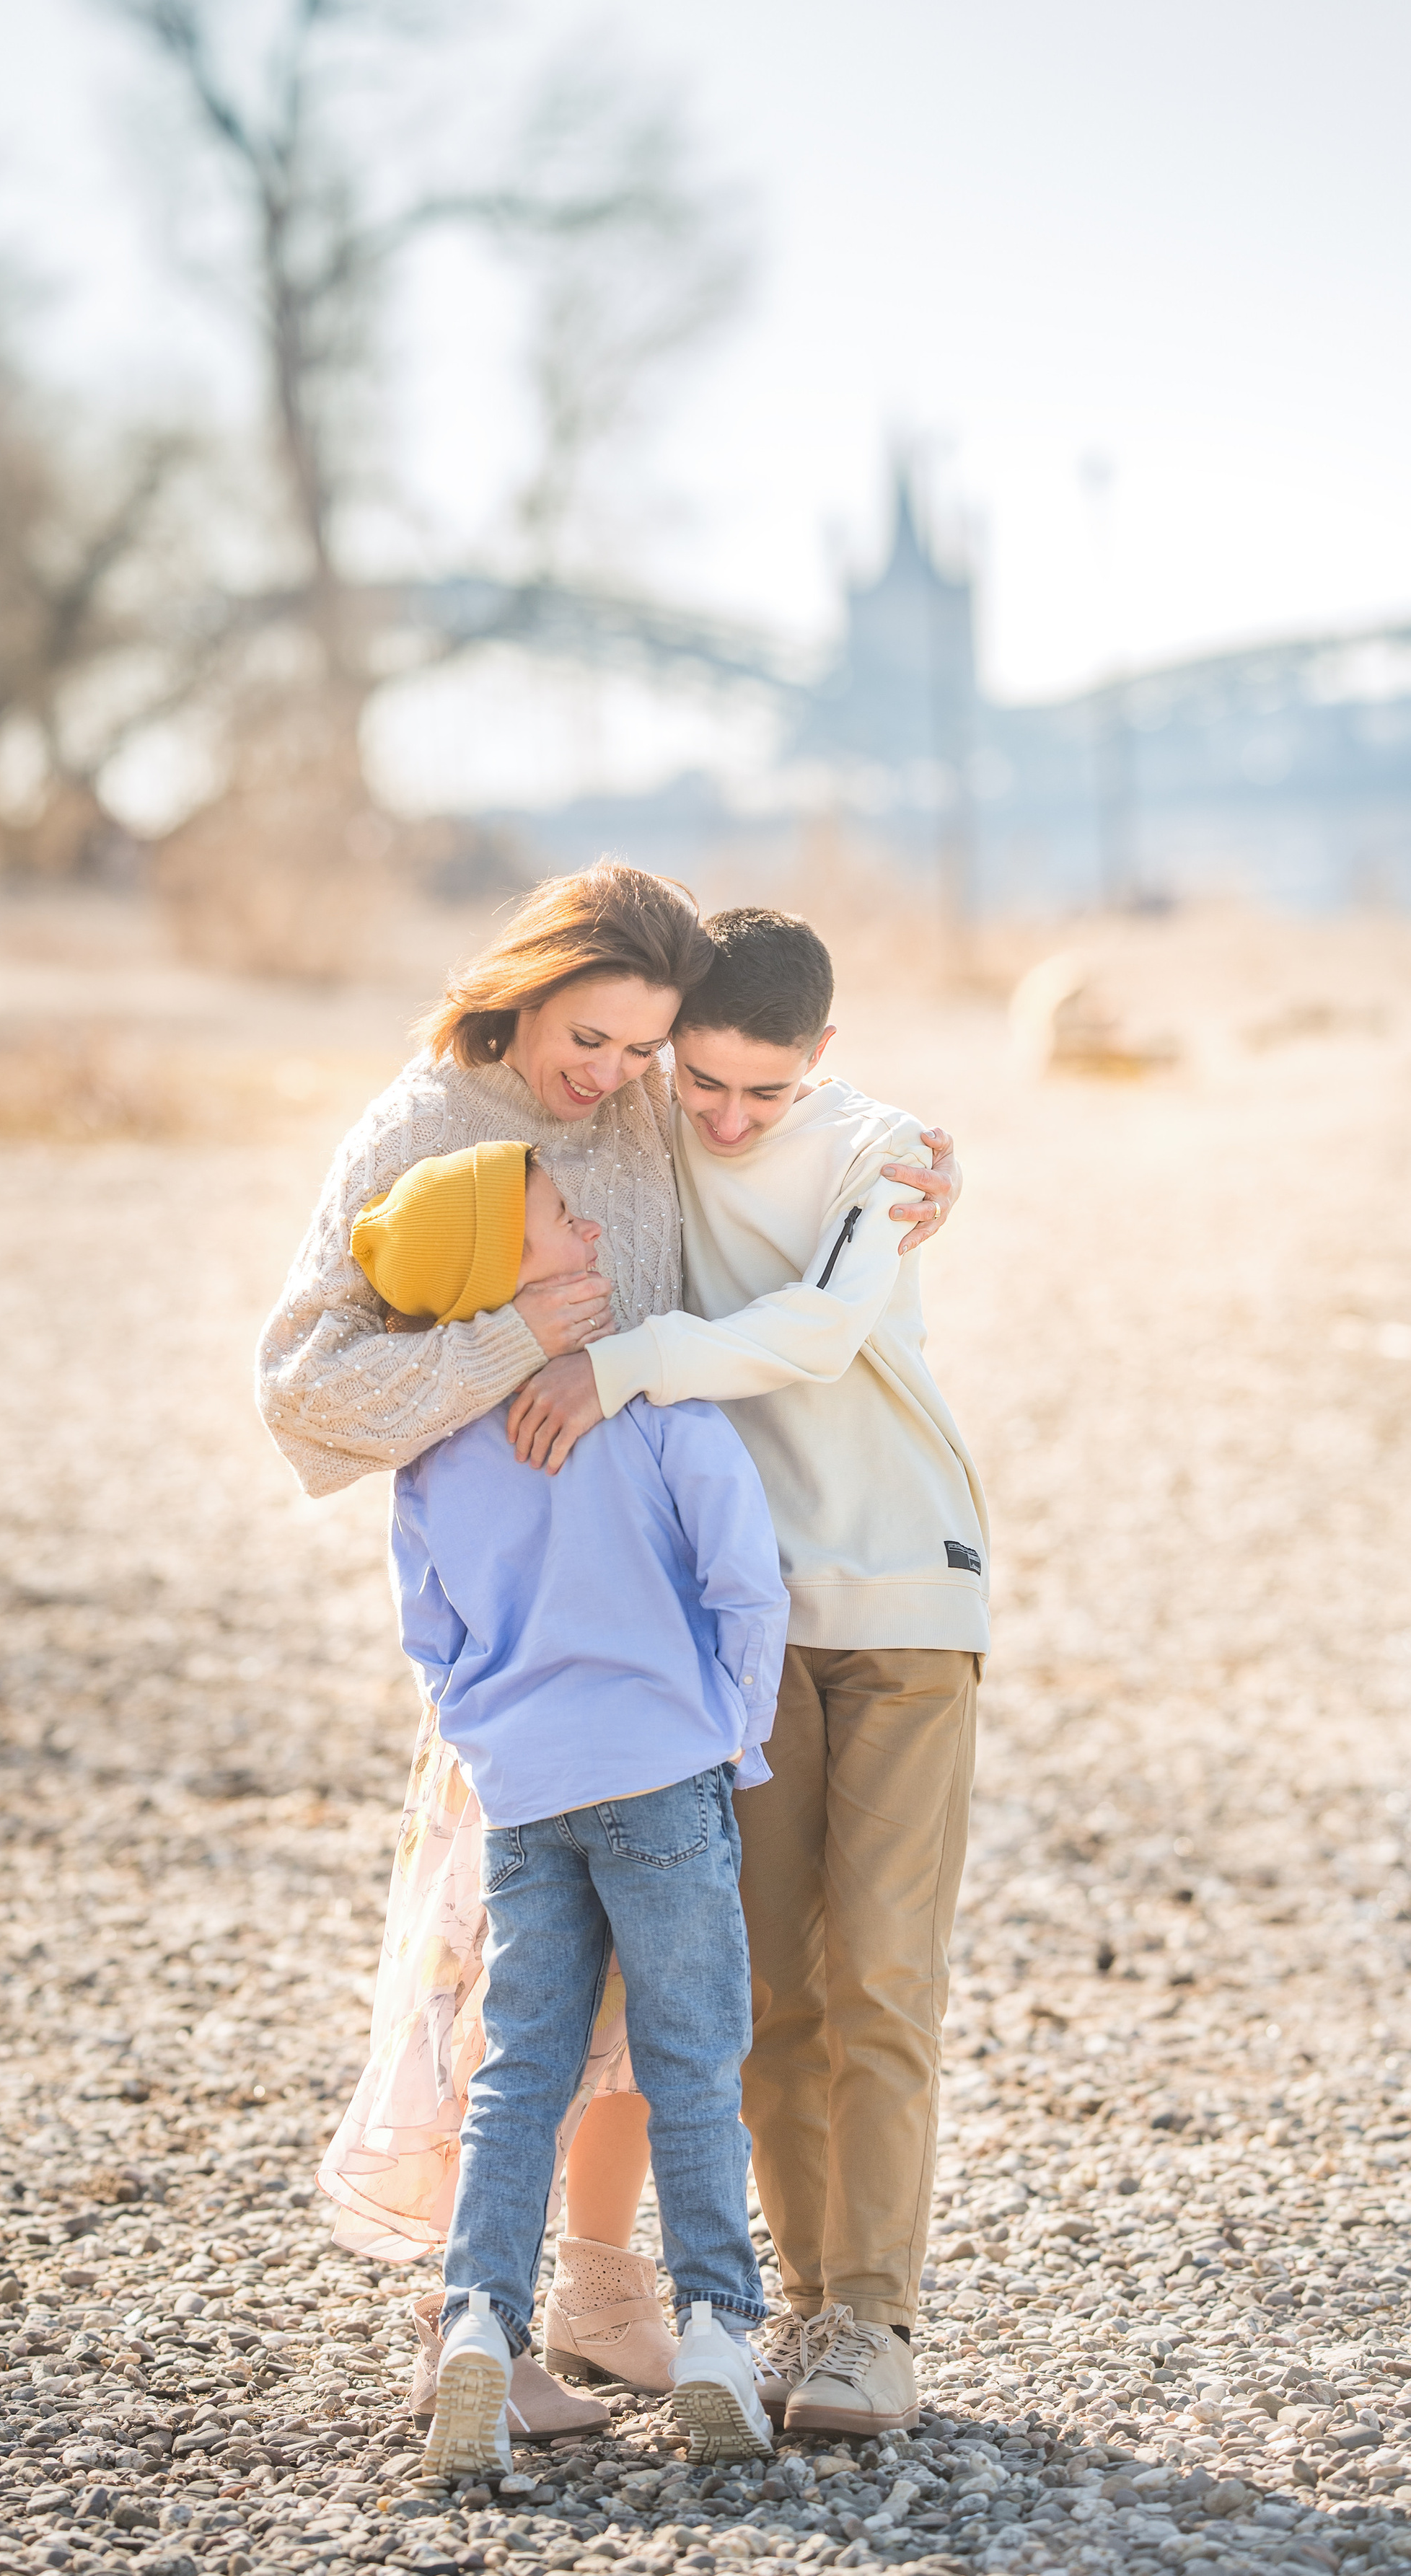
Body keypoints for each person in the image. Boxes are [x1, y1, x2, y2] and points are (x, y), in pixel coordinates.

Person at [254, 861, 960, 2409]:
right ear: (524, 989)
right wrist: (525, 1337)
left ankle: (606, 2291)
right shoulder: (422, 1127)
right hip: (521, 1643)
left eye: (642, 1049)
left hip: (663, 1629)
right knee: (508, 1993)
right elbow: (306, 1386)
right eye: (592, 1041)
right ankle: (480, 2323)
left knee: (650, 2001)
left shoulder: (650, 1105)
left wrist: (900, 1166)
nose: (617, 1080)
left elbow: (773, 1103)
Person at [506, 907, 988, 2437]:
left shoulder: (874, 1153)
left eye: (760, 1094)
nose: (725, 1119)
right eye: (701, 1082)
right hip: (748, 1622)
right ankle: (802, 2317)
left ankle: (880, 2326)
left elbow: (826, 1330)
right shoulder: (645, 1121)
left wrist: (621, 1366)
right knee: (770, 1984)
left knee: (884, 1978)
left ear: (819, 1064)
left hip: (912, 1597)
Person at [350, 1138, 788, 2475]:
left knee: (521, 2068)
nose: (589, 1228)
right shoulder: (651, 1404)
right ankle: (717, 2328)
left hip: (528, 1795)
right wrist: (732, 1737)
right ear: (501, 1267)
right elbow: (748, 1586)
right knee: (692, 2063)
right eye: (556, 1215)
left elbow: (433, 1642)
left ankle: (481, 2319)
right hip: (665, 1769)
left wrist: (500, 1749)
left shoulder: (430, 1454)